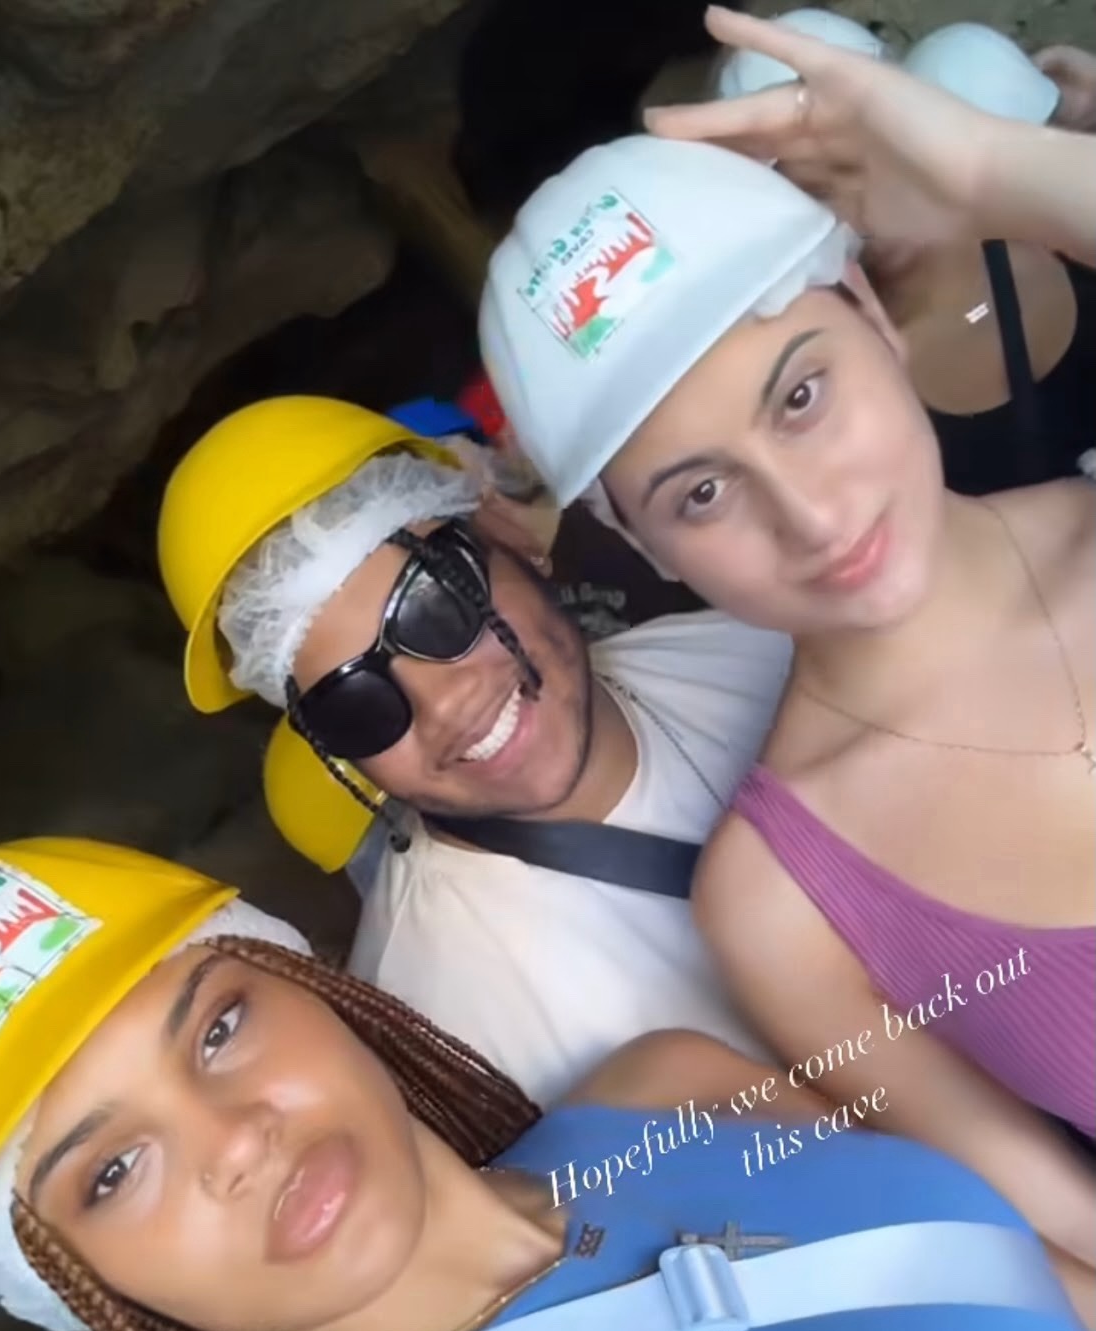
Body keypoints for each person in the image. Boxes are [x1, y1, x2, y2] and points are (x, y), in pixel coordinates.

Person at [0, 840, 1092, 1331]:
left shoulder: (663, 1089)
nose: (237, 1140)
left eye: (220, 1027)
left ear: (308, 985)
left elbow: (1043, 1284)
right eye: (113, 1170)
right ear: (78, 1285)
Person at [479, 9, 1096, 1263]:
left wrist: (997, 170)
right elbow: (1061, 1232)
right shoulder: (779, 903)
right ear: (643, 545)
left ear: (869, 310)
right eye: (701, 493)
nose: (810, 518)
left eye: (800, 395)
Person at [157, 398, 790, 1104]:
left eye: (435, 607)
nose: (443, 706)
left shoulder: (764, 652)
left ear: (506, 533)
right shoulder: (460, 1045)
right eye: (355, 702)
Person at [717, 12, 1096, 495]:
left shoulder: (1038, 205)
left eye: (864, 153)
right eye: (813, 193)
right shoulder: (847, 392)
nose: (863, 207)